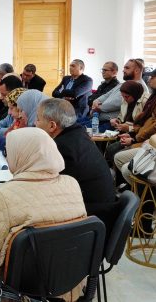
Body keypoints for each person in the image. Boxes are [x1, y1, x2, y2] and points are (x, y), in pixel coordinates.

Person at [0, 128, 87, 302]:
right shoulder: (72, 184)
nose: (6, 157)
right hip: (66, 287)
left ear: (21, 155)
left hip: (14, 293)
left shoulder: (3, 195)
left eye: (7, 152)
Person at [35, 98, 117, 233]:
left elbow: (50, 190)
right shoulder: (77, 134)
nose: (35, 123)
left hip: (90, 223)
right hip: (100, 212)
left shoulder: (62, 147)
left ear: (52, 126)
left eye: (38, 119)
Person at [109, 66, 156, 172]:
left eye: (152, 77)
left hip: (151, 141)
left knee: (117, 153)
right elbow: (146, 121)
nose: (149, 80)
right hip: (142, 135)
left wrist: (134, 138)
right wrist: (132, 133)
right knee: (112, 148)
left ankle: (122, 180)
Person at [0, 87, 27, 152]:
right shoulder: (18, 120)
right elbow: (7, 133)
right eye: (8, 108)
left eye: (11, 108)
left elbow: (12, 143)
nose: (9, 112)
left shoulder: (26, 123)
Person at [85, 61, 123, 131]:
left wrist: (96, 102)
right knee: (74, 124)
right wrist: (95, 101)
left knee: (79, 128)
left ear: (114, 72)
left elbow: (106, 103)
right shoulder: (102, 85)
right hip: (95, 116)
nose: (103, 72)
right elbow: (90, 99)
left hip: (105, 119)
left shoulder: (116, 85)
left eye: (105, 70)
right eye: (102, 70)